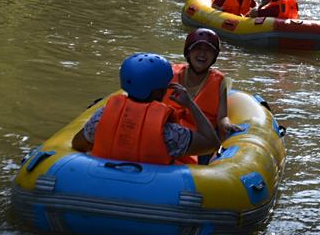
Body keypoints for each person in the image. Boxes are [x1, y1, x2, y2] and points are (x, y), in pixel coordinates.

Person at [71, 53, 220, 164]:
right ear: (158, 92)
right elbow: (211, 144)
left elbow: (77, 144)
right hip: (150, 193)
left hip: (98, 183)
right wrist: (191, 105)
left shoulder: (101, 117)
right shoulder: (169, 133)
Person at [165, 29, 241, 164]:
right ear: (188, 52)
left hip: (200, 138)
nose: (202, 54)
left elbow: (222, 117)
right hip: (170, 132)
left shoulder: (219, 81)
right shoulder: (170, 73)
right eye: (197, 48)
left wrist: (227, 124)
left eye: (208, 50)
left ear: (214, 56)